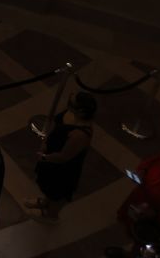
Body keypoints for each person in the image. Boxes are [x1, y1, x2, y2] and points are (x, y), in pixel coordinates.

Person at [27, 92, 96, 222]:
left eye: (71, 104)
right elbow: (54, 127)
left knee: (57, 192)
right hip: (50, 157)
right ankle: (45, 201)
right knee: (48, 187)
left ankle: (51, 215)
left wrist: (44, 158)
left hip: (61, 169)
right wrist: (45, 144)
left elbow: (64, 157)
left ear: (81, 111)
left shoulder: (80, 134)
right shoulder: (70, 114)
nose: (67, 105)